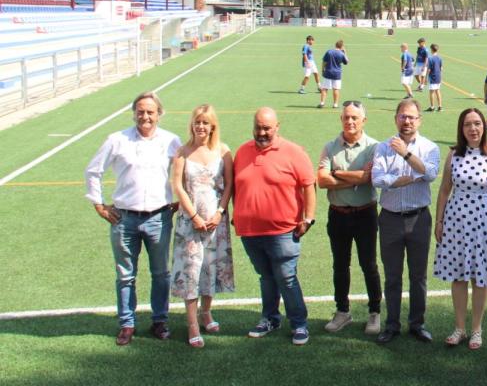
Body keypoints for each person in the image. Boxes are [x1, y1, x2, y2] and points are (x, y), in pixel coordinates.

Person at [85, 91, 181, 346]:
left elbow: (185, 170)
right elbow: (93, 171)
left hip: (159, 217)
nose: (145, 116)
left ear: (159, 114)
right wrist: (99, 205)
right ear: (134, 113)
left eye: (150, 111)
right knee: (126, 275)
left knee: (161, 273)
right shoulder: (117, 140)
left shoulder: (171, 141)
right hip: (124, 219)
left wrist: (181, 197)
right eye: (140, 111)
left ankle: (160, 321)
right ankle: (127, 323)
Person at [234, 107, 317, 346]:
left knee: (286, 277)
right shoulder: (242, 152)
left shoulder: (293, 152)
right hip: (250, 231)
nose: (262, 132)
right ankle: (270, 318)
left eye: (267, 128)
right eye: (258, 127)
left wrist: (308, 218)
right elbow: (236, 186)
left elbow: (308, 186)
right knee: (266, 277)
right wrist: (236, 212)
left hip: (283, 231)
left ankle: (299, 323)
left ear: (277, 127)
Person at [433, 108, 487, 350]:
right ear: (461, 128)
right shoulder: (453, 154)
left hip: (485, 223)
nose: (473, 128)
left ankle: (476, 329)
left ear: (484, 127)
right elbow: (445, 189)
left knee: (479, 276)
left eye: (477, 123)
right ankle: (459, 328)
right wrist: (439, 221)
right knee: (457, 275)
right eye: (468, 124)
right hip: (455, 222)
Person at [371, 98, 441, 344]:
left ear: (419, 120)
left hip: (419, 218)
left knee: (418, 276)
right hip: (390, 218)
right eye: (403, 116)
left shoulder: (430, 147)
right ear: (396, 118)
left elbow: (430, 174)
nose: (407, 121)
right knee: (392, 275)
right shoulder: (382, 147)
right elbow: (377, 179)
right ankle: (391, 325)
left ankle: (417, 324)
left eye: (412, 117)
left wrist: (406, 154)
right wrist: (406, 178)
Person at [170, 104, 236, 348]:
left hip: (215, 223)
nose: (200, 126)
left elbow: (229, 184)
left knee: (212, 267)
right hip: (191, 224)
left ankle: (206, 312)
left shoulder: (223, 150)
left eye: (205, 122)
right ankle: (192, 324)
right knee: (191, 272)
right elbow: (178, 186)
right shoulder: (182, 152)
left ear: (212, 126)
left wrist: (219, 212)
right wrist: (194, 216)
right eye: (197, 121)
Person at [318, 101, 382, 336]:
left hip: (365, 213)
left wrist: (336, 173)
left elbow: (370, 177)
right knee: (340, 266)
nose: (350, 121)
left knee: (369, 265)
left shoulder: (374, 147)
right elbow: (322, 180)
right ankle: (342, 311)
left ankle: (375, 312)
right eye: (346, 117)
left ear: (364, 120)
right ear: (341, 119)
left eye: (355, 117)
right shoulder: (330, 146)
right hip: (338, 215)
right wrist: (355, 176)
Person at [319, 39, 348, 109]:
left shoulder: (329, 52)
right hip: (337, 73)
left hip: (328, 72)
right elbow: (346, 62)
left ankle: (322, 103)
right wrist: (345, 53)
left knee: (325, 89)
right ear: (342, 46)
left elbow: (324, 61)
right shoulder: (341, 54)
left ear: (335, 45)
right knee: (336, 89)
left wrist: (322, 69)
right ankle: (335, 104)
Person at [426, 43, 444, 112]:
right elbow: (441, 68)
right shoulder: (440, 58)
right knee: (438, 91)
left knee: (431, 92)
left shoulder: (430, 58)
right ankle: (440, 106)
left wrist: (425, 78)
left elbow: (429, 69)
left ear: (431, 50)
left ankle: (432, 107)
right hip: (438, 77)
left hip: (432, 77)